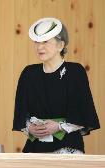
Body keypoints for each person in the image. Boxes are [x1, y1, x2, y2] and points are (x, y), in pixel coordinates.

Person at [12, 17, 100, 154]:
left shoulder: (75, 72)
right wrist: (29, 128)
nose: (39, 47)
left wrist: (59, 126)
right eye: (37, 42)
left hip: (67, 146)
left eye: (45, 42)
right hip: (35, 147)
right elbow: (22, 111)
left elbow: (83, 110)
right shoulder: (29, 73)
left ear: (61, 45)